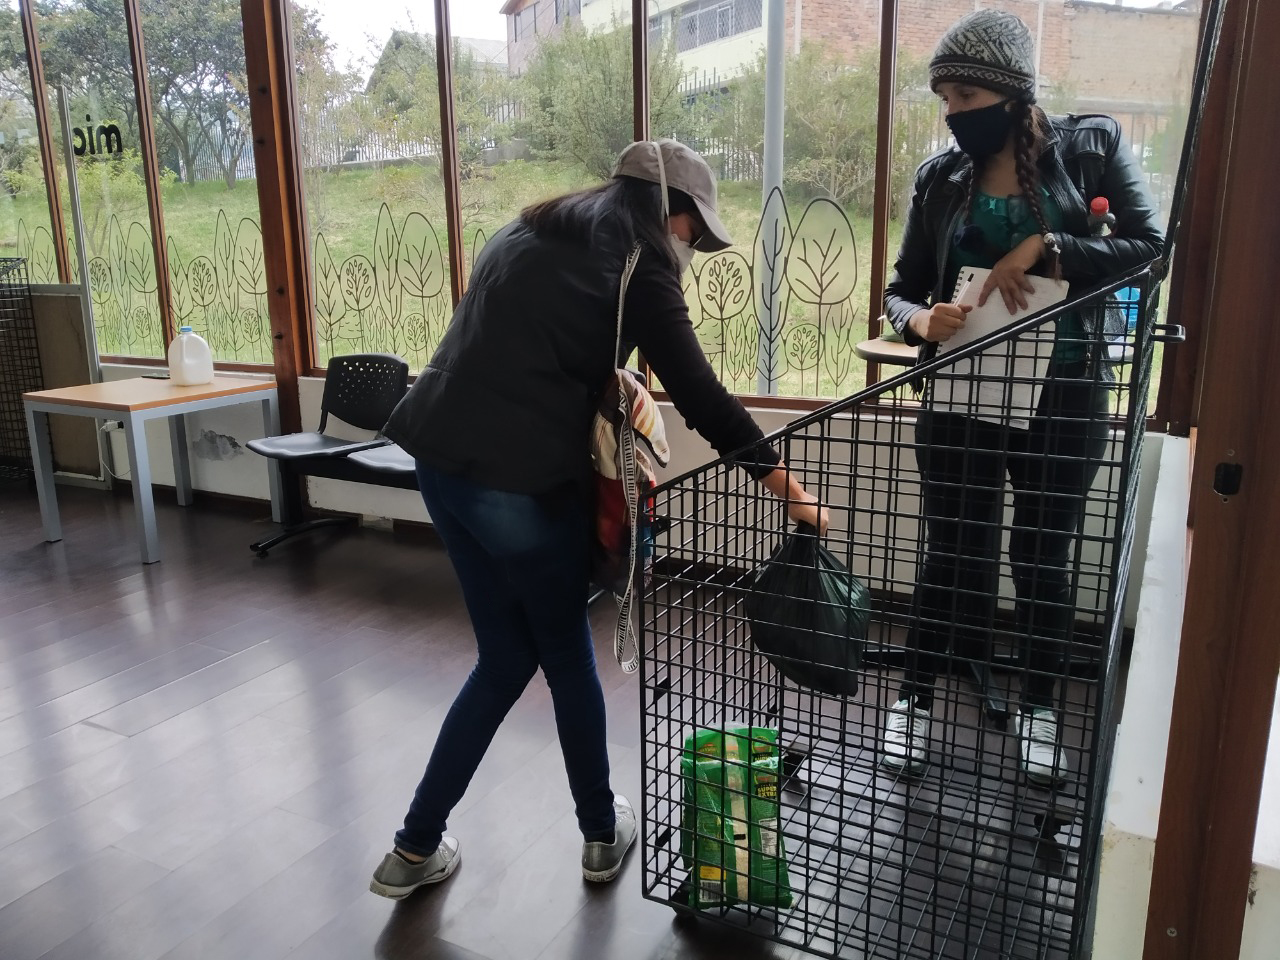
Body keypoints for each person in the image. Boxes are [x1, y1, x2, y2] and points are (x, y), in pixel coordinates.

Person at [368, 139, 830, 900]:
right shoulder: (640, 264)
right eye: (693, 231)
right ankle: (597, 835)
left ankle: (413, 850)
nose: (691, 247)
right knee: (563, 651)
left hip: (436, 461)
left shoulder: (530, 227)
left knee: (505, 658)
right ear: (669, 213)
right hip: (514, 484)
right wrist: (790, 489)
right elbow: (702, 395)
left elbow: (519, 344)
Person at [880, 10, 1163, 783]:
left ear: (1010, 94)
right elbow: (898, 292)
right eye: (944, 96)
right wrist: (918, 320)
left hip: (1065, 396)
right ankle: (913, 699)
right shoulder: (941, 178)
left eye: (965, 93)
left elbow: (1150, 250)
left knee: (1044, 560)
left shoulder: (1093, 147)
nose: (952, 112)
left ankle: (1038, 710)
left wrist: (1052, 246)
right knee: (950, 558)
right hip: (963, 395)